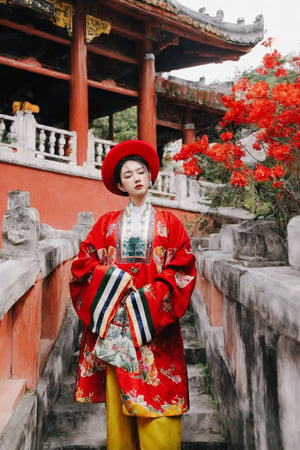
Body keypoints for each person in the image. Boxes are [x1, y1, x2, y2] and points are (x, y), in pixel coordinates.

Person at [70, 139, 196, 449]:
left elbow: (183, 268)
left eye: (141, 172)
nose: (137, 178)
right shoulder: (106, 225)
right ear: (119, 185)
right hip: (117, 329)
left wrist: (148, 299)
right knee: (120, 415)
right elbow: (83, 265)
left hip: (157, 329)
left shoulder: (170, 224)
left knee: (160, 412)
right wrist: (115, 284)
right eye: (128, 175)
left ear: (151, 177)